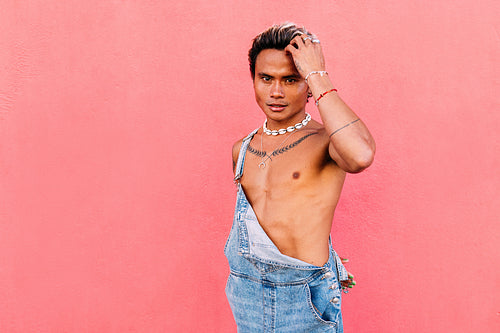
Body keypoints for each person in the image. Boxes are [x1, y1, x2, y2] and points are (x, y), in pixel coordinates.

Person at [224, 22, 375, 332]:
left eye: (290, 80)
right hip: (246, 293)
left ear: (307, 85)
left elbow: (360, 155)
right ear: (253, 80)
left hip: (303, 299)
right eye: (266, 78)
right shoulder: (242, 149)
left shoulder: (325, 141)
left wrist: (317, 74)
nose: (276, 92)